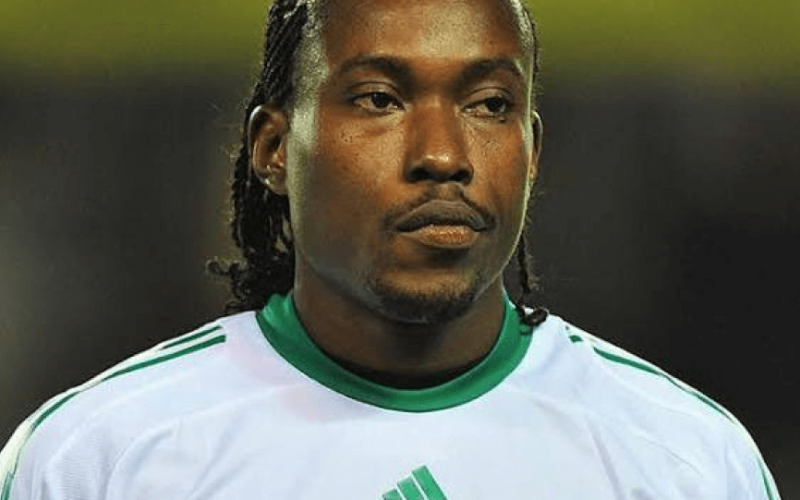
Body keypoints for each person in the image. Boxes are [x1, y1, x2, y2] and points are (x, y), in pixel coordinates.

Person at [0, 0, 781, 497]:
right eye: (380, 98)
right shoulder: (96, 458)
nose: (442, 154)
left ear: (533, 153)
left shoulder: (686, 460)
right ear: (274, 148)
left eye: (490, 104)